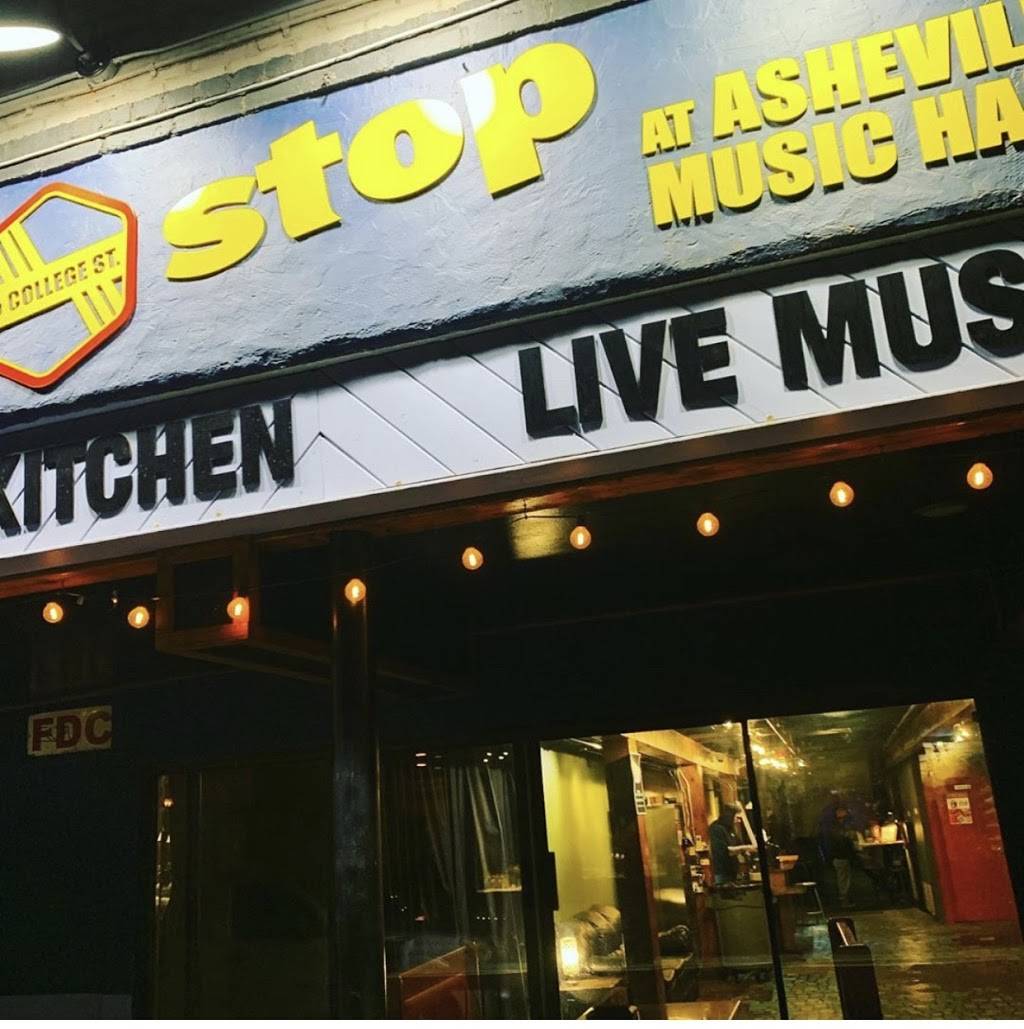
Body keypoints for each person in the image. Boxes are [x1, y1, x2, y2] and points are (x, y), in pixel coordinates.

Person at [821, 803, 857, 908]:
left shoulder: (836, 825)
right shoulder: (836, 827)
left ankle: (845, 897)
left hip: (840, 855)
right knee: (843, 878)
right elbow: (841, 839)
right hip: (840, 855)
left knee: (844, 877)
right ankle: (844, 898)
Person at [709, 807, 740, 885]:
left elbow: (737, 843)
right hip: (722, 871)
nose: (738, 820)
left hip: (731, 870)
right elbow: (724, 850)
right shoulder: (716, 829)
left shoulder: (730, 829)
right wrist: (746, 848)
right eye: (736, 817)